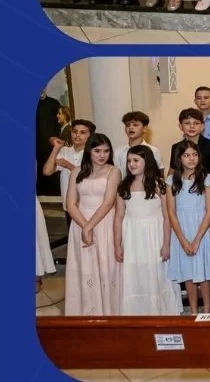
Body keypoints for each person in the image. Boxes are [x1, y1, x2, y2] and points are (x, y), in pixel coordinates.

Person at [114, 145, 182, 315]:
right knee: (136, 273)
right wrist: (117, 244)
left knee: (156, 273)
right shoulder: (123, 186)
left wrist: (166, 244)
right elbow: (119, 217)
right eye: (129, 161)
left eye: (136, 160)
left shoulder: (159, 185)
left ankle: (161, 311)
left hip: (155, 236)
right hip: (133, 237)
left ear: (147, 161)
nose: (131, 164)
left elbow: (167, 216)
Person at [64, 134, 122, 315]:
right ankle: (84, 311)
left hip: (104, 223)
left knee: (105, 266)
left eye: (106, 151)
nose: (102, 155)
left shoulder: (114, 171)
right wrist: (84, 225)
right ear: (89, 151)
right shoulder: (76, 172)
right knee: (84, 266)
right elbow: (70, 204)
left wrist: (89, 227)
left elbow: (108, 202)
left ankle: (108, 311)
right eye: (97, 151)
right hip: (79, 221)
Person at [166, 141, 210, 314]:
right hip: (181, 229)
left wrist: (197, 240)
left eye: (194, 155)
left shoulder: (207, 178)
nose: (191, 159)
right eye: (186, 155)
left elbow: (209, 210)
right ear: (179, 158)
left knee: (203, 271)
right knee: (187, 271)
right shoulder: (171, 180)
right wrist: (182, 240)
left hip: (201, 229)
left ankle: (207, 310)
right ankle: (194, 310)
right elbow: (171, 212)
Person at [43, 120, 94, 214]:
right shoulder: (65, 151)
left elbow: (91, 177)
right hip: (69, 207)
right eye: (75, 131)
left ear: (90, 135)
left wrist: (68, 165)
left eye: (82, 132)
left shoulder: (94, 153)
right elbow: (47, 171)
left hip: (89, 206)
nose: (77, 135)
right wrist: (56, 148)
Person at [170, 108, 210, 177]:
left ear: (202, 126)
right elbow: (173, 169)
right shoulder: (176, 147)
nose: (192, 126)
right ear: (180, 126)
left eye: (196, 123)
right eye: (187, 123)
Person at [114, 112, 162, 176]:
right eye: (128, 125)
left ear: (145, 128)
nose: (131, 127)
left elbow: (159, 175)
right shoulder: (118, 152)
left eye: (135, 125)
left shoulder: (153, 150)